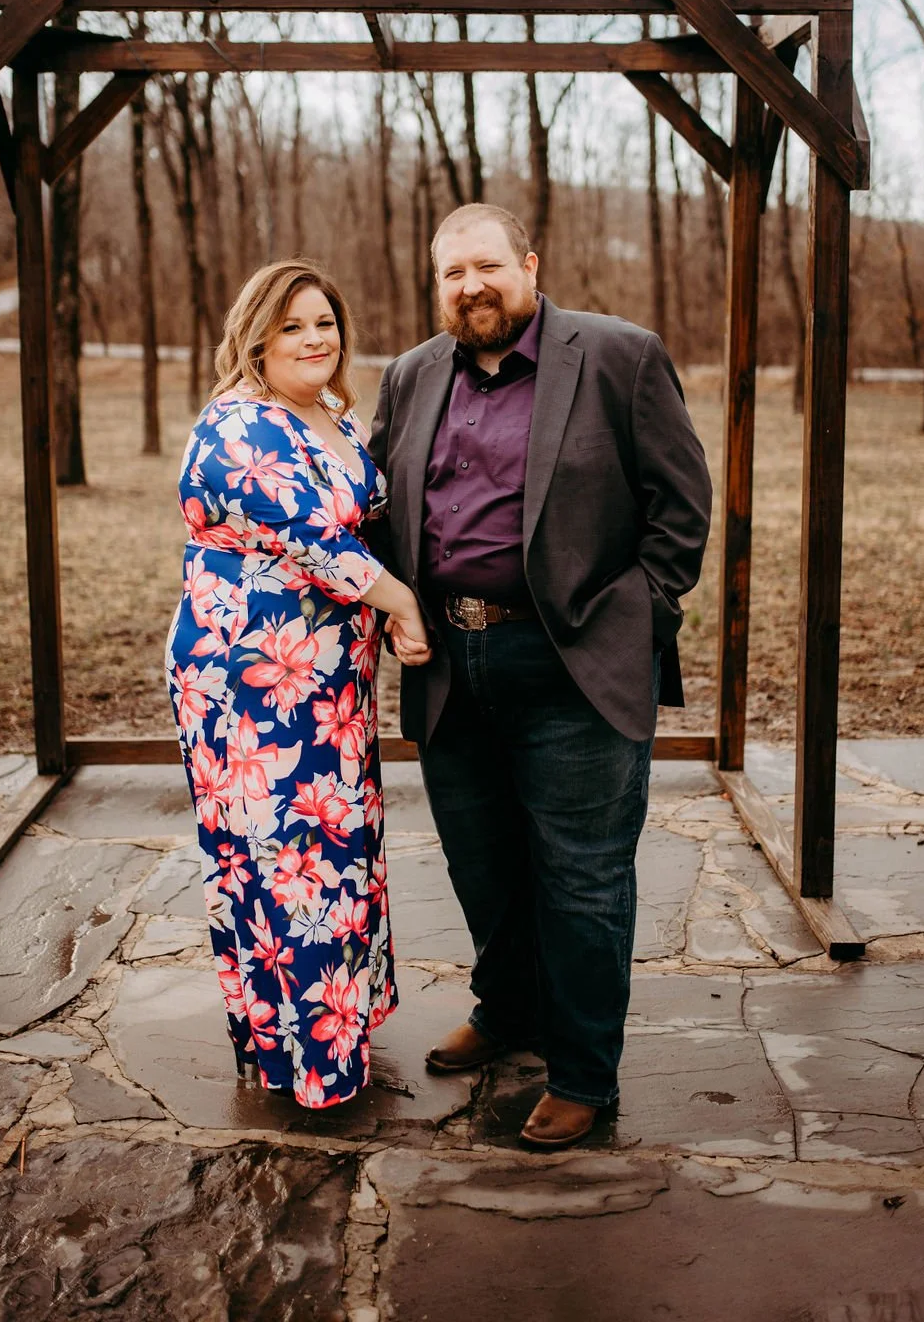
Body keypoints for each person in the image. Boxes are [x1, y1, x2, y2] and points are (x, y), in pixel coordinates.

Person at [369, 204, 713, 1148]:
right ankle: (508, 1008)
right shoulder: (410, 375)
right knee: (482, 862)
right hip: (450, 663)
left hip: (573, 659)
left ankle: (584, 1071)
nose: (471, 286)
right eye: (452, 273)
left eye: (487, 266)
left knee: (582, 877)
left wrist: (636, 621)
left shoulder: (619, 357)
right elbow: (380, 508)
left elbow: (681, 507)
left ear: (529, 264)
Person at [166, 259, 431, 1110]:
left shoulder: (332, 413)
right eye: (292, 327)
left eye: (324, 322)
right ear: (257, 338)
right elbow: (315, 539)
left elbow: (367, 518)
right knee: (288, 862)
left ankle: (337, 1027)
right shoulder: (241, 423)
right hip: (251, 678)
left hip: (329, 674)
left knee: (334, 850)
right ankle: (306, 1059)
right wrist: (404, 605)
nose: (316, 339)